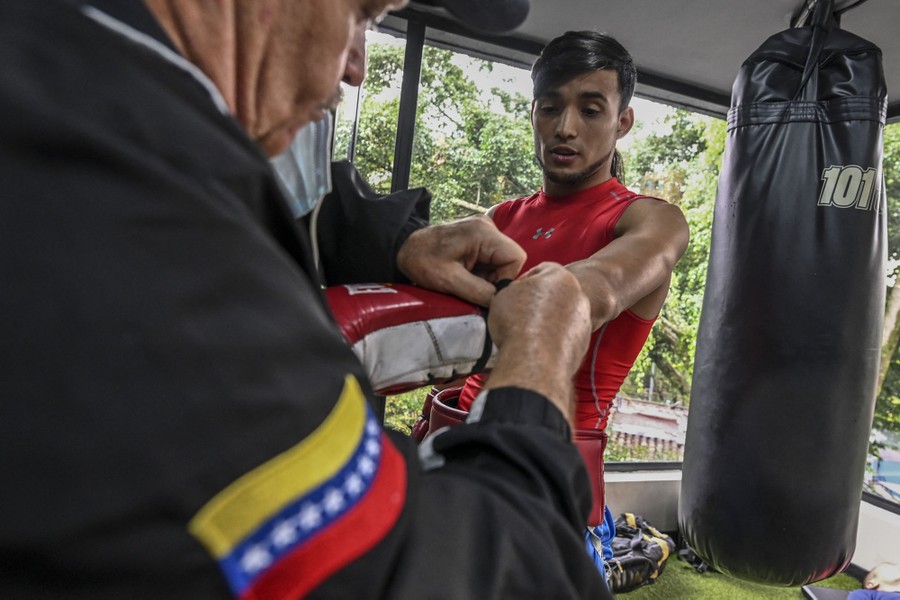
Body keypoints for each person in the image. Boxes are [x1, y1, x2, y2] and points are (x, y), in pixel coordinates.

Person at [0, 1, 617, 599]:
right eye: (363, 16)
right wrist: (538, 360)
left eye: (591, 109)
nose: (356, 65)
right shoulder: (140, 232)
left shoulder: (75, 77)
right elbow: (484, 579)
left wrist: (399, 241)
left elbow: (274, 196)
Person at [451, 30, 690, 584]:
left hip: (551, 481)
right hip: (454, 440)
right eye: (551, 107)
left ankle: (617, 553)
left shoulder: (649, 220)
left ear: (622, 121)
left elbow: (597, 288)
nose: (565, 128)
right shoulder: (501, 218)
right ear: (533, 113)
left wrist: (521, 294)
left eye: (590, 109)